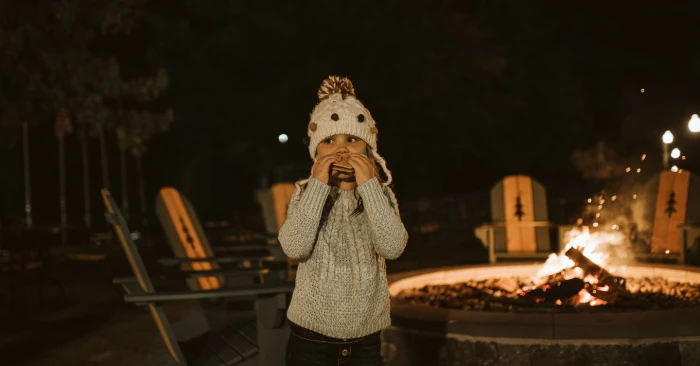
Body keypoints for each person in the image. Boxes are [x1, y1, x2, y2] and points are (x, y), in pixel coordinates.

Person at [278, 75, 409, 365]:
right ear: (315, 151)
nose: (341, 149)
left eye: (351, 139)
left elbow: (393, 247)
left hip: (366, 336)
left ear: (368, 148)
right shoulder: (305, 194)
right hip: (310, 336)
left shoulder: (380, 196)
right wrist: (318, 186)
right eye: (329, 140)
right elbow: (294, 247)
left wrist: (370, 186)